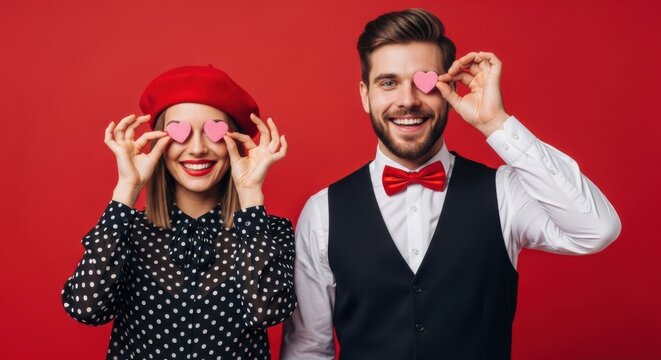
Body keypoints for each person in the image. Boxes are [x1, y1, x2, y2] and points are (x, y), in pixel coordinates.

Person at [280, 8, 621, 360]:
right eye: (388, 82)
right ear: (366, 96)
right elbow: (307, 348)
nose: (408, 100)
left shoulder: (503, 193)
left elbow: (597, 229)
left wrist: (496, 123)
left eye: (425, 81)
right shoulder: (322, 212)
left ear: (448, 88)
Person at [62, 65, 296, 359]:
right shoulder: (128, 230)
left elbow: (268, 312)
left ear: (233, 140)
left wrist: (250, 194)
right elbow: (86, 308)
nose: (197, 148)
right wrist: (127, 189)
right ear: (160, 142)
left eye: (214, 131)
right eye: (180, 132)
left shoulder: (269, 231)